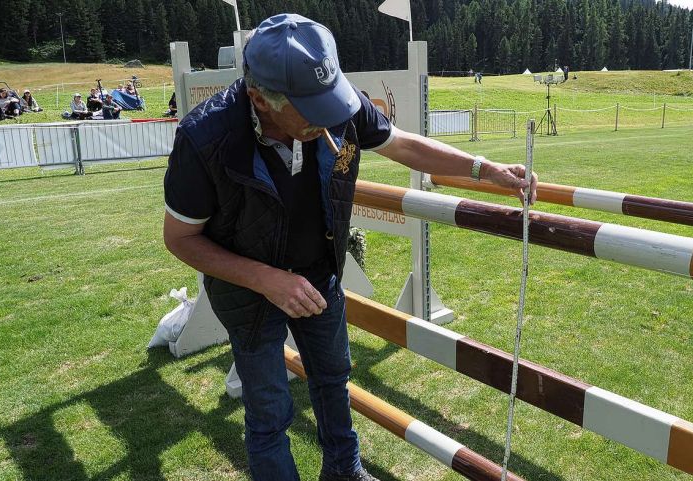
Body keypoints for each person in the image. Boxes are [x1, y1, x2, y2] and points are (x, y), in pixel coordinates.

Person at [162, 13, 537, 481]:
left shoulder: (336, 105)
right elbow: (179, 238)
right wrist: (268, 280)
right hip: (248, 292)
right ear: (260, 99)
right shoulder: (204, 138)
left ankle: (344, 471)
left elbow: (403, 145)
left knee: (334, 381)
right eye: (311, 108)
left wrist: (484, 169)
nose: (333, 116)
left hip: (320, 274)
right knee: (269, 414)